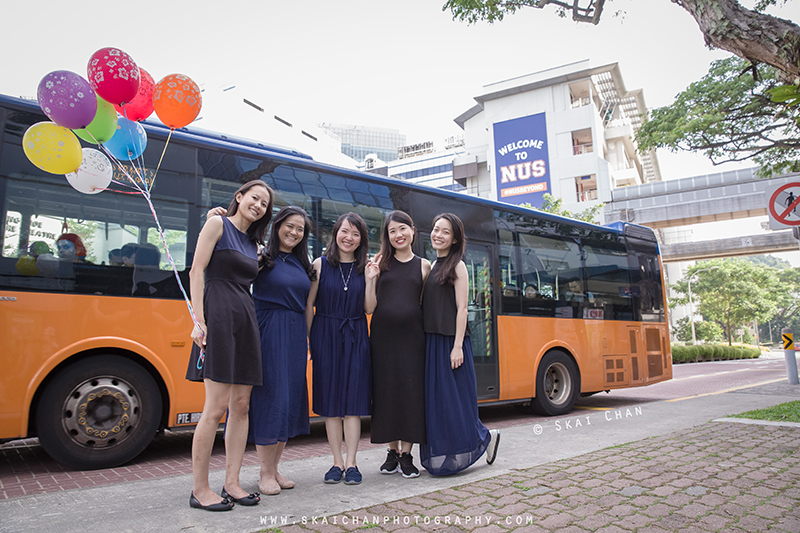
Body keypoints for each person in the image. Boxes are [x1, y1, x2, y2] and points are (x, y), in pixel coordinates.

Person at [185, 180, 274, 512]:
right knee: (216, 406)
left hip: (245, 320)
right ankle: (200, 488)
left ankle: (232, 483)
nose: (259, 205)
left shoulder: (255, 244)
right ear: (239, 197)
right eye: (255, 198)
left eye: (265, 204)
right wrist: (199, 320)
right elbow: (196, 271)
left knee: (241, 405)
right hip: (218, 316)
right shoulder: (216, 223)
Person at [420, 213, 500, 476]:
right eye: (435, 229)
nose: (437, 235)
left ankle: (483, 438)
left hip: (451, 343)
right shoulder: (433, 265)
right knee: (441, 401)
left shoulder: (458, 266)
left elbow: (462, 308)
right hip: (432, 342)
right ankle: (476, 440)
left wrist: (456, 347)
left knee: (456, 401)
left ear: (455, 239)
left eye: (444, 231)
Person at [249, 206, 315, 495]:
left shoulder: (303, 264)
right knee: (271, 398)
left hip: (295, 334)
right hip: (268, 330)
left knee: (289, 400)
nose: (294, 232)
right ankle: (264, 473)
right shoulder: (262, 257)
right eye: (289, 225)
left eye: (300, 229)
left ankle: (275, 468)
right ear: (277, 226)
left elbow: (308, 305)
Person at [306, 212, 374, 485]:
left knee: (353, 403)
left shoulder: (365, 267)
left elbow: (370, 308)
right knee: (332, 404)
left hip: (357, 334)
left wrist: (371, 280)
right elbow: (308, 306)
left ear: (361, 240)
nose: (349, 237)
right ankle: (336, 463)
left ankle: (352, 463)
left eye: (356, 234)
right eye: (345, 231)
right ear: (335, 233)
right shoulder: (320, 265)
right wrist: (311, 341)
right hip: (325, 334)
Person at [365, 210, 430, 478]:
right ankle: (393, 451)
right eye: (392, 231)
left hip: (414, 339)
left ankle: (407, 454)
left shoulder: (425, 266)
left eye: (402, 229)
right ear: (387, 236)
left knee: (412, 394)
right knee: (386, 393)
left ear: (413, 230)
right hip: (382, 339)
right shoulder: (381, 263)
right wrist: (370, 280)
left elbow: (428, 306)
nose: (398, 235)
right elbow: (369, 307)